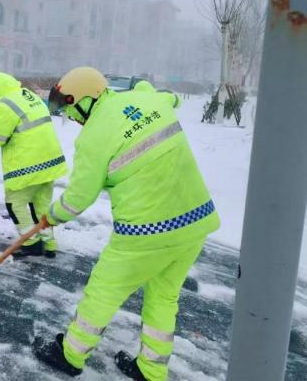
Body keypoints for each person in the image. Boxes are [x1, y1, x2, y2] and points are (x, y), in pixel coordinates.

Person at [33, 67, 219, 380]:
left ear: (87, 99)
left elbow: (78, 198)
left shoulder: (93, 137)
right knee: (163, 296)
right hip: (194, 223)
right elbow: (170, 99)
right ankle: (151, 369)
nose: (73, 119)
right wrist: (148, 91)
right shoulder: (148, 99)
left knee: (103, 290)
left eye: (71, 110)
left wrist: (50, 217)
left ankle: (70, 355)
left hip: (146, 234)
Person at [0, 72, 68, 258]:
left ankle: (31, 243)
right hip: (50, 161)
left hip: (28, 165)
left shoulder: (5, 104)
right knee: (40, 207)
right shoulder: (29, 95)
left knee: (15, 203)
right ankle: (49, 245)